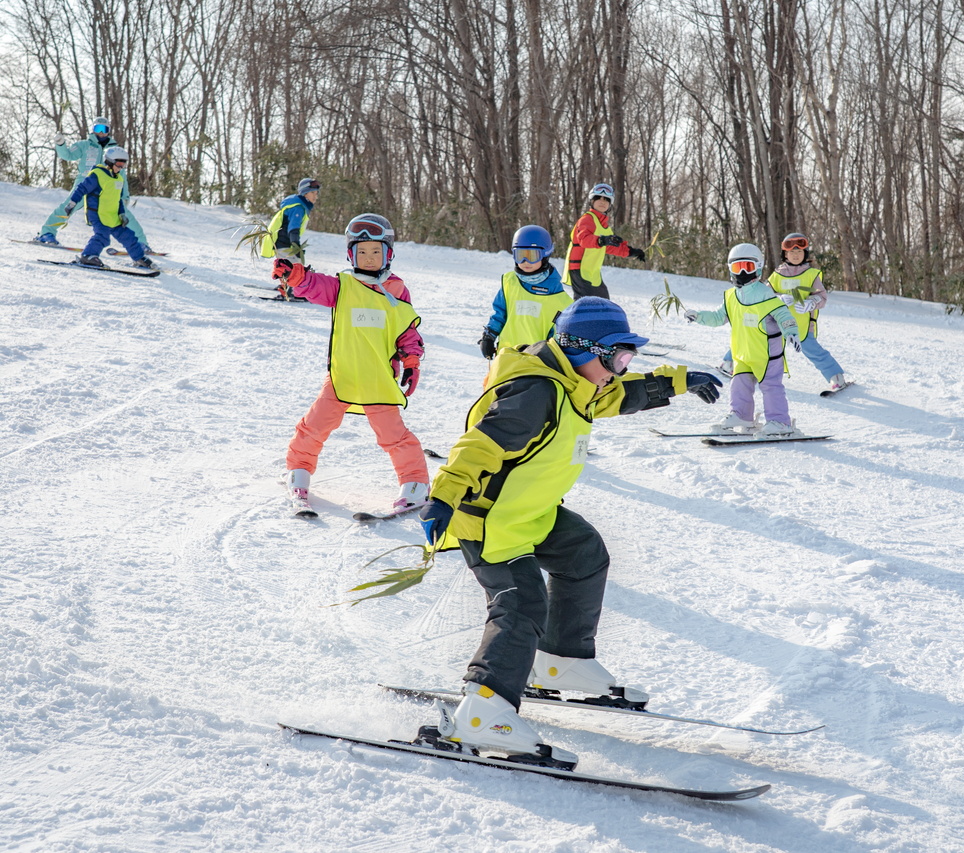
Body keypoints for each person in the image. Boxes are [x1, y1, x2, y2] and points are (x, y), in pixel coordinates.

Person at [412, 297, 722, 768]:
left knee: (584, 554)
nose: (621, 368)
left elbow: (623, 395)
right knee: (521, 603)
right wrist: (443, 496)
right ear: (583, 350)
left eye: (627, 359)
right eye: (617, 357)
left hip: (532, 512)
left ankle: (561, 660)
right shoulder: (537, 392)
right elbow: (480, 446)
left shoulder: (579, 384)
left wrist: (679, 381)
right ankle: (482, 712)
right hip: (492, 521)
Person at [277, 213, 430, 515]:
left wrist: (411, 361)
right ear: (351, 254)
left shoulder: (396, 290)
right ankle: (298, 471)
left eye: (376, 251)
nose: (369, 258)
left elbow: (406, 330)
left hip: (377, 379)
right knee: (315, 426)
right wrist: (294, 275)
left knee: (393, 435)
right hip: (342, 376)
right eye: (362, 251)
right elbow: (313, 286)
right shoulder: (342, 285)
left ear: (388, 253)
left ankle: (415, 484)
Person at [686, 243, 800, 436]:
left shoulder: (765, 294)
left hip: (767, 355)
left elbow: (783, 315)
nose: (742, 272)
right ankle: (742, 415)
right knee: (739, 385)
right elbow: (718, 317)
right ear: (730, 269)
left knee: (771, 386)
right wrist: (698, 316)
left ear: (757, 267)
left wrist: (791, 332)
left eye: (747, 266)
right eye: (737, 267)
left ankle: (780, 421)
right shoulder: (730, 296)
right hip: (742, 355)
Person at [37, 117, 155, 253]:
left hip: (108, 185)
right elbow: (68, 155)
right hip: (86, 182)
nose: (101, 132)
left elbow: (121, 175)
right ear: (93, 130)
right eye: (97, 129)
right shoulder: (84, 145)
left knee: (124, 213)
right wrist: (60, 144)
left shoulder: (114, 150)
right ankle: (47, 233)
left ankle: (141, 243)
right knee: (69, 205)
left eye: (104, 129)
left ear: (108, 131)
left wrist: (124, 195)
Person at [768, 232, 849, 392]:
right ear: (785, 254)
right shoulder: (777, 275)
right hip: (779, 324)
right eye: (792, 252)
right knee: (763, 346)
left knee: (813, 350)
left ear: (805, 253)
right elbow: (764, 296)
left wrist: (810, 303)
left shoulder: (811, 274)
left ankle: (836, 377)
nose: (796, 255)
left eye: (799, 252)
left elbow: (822, 297)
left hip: (803, 325)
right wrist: (779, 298)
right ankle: (739, 368)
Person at [477, 225, 572, 360]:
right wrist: (489, 336)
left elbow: (558, 336)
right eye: (520, 255)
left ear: (545, 255)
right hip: (506, 357)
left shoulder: (560, 299)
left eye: (532, 256)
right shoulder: (510, 283)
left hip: (537, 362)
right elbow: (499, 314)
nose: (525, 262)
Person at [62, 146, 154, 269]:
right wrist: (72, 203)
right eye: (119, 164)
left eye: (124, 165)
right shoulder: (97, 175)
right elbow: (81, 188)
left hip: (113, 216)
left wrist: (122, 214)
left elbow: (118, 200)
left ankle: (139, 258)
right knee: (102, 237)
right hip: (98, 214)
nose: (121, 167)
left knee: (129, 236)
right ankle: (88, 256)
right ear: (110, 161)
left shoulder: (119, 179)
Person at [563, 182, 645, 301]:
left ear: (610, 204)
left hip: (593, 271)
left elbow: (612, 246)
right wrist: (602, 240)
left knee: (603, 302)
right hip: (579, 268)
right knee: (586, 305)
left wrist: (632, 252)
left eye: (606, 199)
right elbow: (584, 239)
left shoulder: (603, 225)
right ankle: (577, 319)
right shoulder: (587, 219)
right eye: (598, 198)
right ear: (591, 201)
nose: (602, 201)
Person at [261, 177, 320, 269]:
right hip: (284, 246)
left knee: (294, 271)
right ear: (304, 193)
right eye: (312, 193)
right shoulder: (298, 208)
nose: (315, 196)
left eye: (316, 193)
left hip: (285, 246)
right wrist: (296, 247)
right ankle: (286, 283)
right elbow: (293, 228)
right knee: (295, 273)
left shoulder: (297, 206)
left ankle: (285, 283)